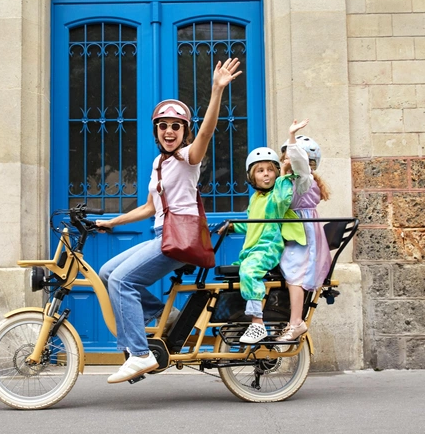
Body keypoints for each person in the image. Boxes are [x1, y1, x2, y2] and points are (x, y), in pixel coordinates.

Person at [95, 58, 243, 384]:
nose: (169, 131)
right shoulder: (158, 163)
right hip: (162, 235)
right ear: (156, 131)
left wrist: (217, 90)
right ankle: (164, 315)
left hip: (179, 240)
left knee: (123, 282)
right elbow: (149, 206)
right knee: (106, 273)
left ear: (184, 131)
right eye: (163, 126)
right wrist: (111, 222)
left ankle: (139, 354)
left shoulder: (189, 158)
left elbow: (207, 131)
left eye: (176, 126)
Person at [220, 119, 308, 345]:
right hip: (251, 249)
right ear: (252, 176)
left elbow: (285, 189)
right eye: (260, 171)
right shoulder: (255, 198)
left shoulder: (276, 195)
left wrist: (287, 171)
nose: (266, 174)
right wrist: (231, 226)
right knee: (237, 272)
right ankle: (239, 319)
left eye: (270, 169)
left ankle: (257, 324)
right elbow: (251, 223)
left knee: (249, 272)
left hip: (268, 248)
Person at [277, 129, 331, 342]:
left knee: (295, 275)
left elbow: (300, 163)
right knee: (288, 270)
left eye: (292, 155)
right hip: (294, 232)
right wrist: (282, 171)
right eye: (285, 156)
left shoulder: (304, 180)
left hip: (304, 235)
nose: (288, 159)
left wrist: (291, 138)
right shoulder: (288, 180)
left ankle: (296, 322)